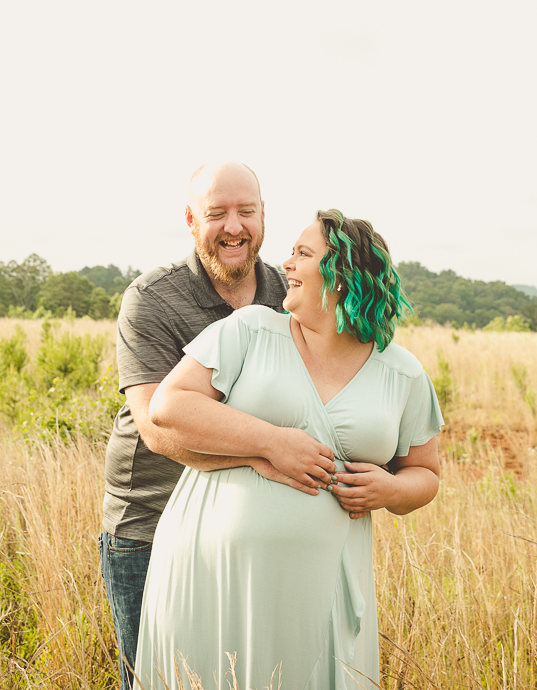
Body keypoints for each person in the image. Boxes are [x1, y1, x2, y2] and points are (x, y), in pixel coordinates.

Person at [135, 210, 444, 690]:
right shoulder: (249, 331)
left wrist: (388, 489)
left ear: (343, 276)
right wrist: (271, 443)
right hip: (214, 574)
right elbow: (169, 407)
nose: (287, 264)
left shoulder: (401, 373)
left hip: (321, 588)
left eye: (303, 254)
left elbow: (425, 474)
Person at [101, 161, 319, 690]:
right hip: (149, 525)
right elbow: (159, 429)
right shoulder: (150, 299)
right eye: (217, 213)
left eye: (246, 211)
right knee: (161, 679)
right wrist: (266, 451)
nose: (234, 226)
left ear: (263, 215)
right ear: (191, 220)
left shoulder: (287, 294)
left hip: (250, 526)